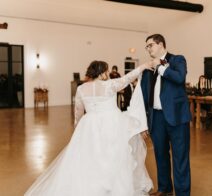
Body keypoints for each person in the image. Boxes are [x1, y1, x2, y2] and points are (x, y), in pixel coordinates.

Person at [24, 60, 154, 196]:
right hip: (112, 123)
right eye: (106, 70)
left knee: (91, 158)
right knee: (113, 157)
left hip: (89, 124)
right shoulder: (109, 85)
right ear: (102, 72)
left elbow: (78, 112)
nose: (108, 73)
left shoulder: (81, 88)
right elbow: (128, 78)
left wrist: (79, 131)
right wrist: (143, 66)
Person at [141, 34, 191, 196]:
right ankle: (164, 188)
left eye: (150, 45)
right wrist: (144, 121)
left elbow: (179, 77)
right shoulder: (149, 68)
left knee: (180, 158)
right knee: (160, 155)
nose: (148, 49)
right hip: (157, 118)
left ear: (161, 44)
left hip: (177, 117)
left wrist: (161, 66)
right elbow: (144, 95)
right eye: (147, 46)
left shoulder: (177, 60)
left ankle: (182, 193)